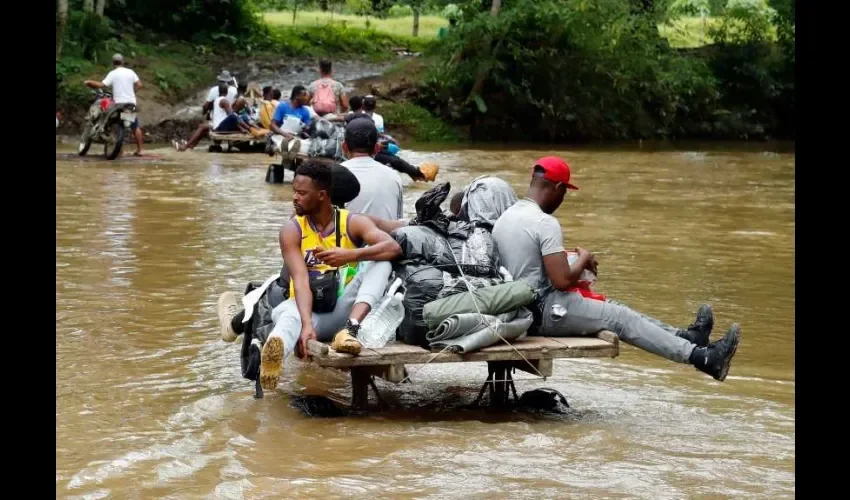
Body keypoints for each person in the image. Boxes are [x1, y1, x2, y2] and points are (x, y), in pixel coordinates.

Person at [491, 156, 741, 381]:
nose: (563, 198)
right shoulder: (545, 222)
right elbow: (562, 280)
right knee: (621, 319)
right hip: (543, 310)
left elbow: (530, 263)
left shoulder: (507, 216)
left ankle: (687, 338)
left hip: (522, 308)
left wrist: (574, 260)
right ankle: (703, 358)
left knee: (616, 308)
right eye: (565, 192)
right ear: (557, 188)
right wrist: (584, 256)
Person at [258, 162, 402, 391]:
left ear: (322, 196)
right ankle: (273, 358)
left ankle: (350, 330)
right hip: (309, 311)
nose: (295, 197)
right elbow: (301, 280)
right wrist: (307, 325)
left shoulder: (352, 221)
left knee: (382, 261)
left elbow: (392, 247)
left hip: (344, 312)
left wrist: (350, 255)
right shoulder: (291, 230)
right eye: (294, 191)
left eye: (302, 193)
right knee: (288, 316)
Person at [341, 118, 405, 221]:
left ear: (344, 146)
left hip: (347, 236)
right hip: (387, 236)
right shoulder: (394, 177)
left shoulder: (332, 175)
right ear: (377, 148)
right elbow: (399, 222)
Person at [83, 53, 144, 156]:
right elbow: (139, 85)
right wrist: (132, 93)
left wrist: (89, 82)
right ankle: (140, 150)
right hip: (129, 104)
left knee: (111, 122)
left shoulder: (113, 73)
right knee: (134, 126)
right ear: (123, 62)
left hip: (118, 104)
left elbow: (101, 85)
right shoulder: (130, 72)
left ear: (113, 63)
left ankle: (119, 151)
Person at [174, 83, 250, 151]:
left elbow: (230, 115)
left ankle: (188, 145)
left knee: (203, 127)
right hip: (220, 126)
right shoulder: (225, 101)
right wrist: (242, 127)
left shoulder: (216, 99)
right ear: (227, 92)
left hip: (219, 125)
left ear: (218, 91)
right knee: (203, 127)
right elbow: (232, 115)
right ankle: (189, 146)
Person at [267, 85, 313, 159]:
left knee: (303, 143)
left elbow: (307, 128)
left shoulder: (305, 111)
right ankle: (284, 148)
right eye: (304, 95)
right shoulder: (282, 106)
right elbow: (272, 125)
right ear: (297, 96)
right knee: (285, 143)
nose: (306, 98)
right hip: (281, 135)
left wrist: (307, 132)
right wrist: (285, 134)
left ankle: (288, 151)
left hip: (296, 137)